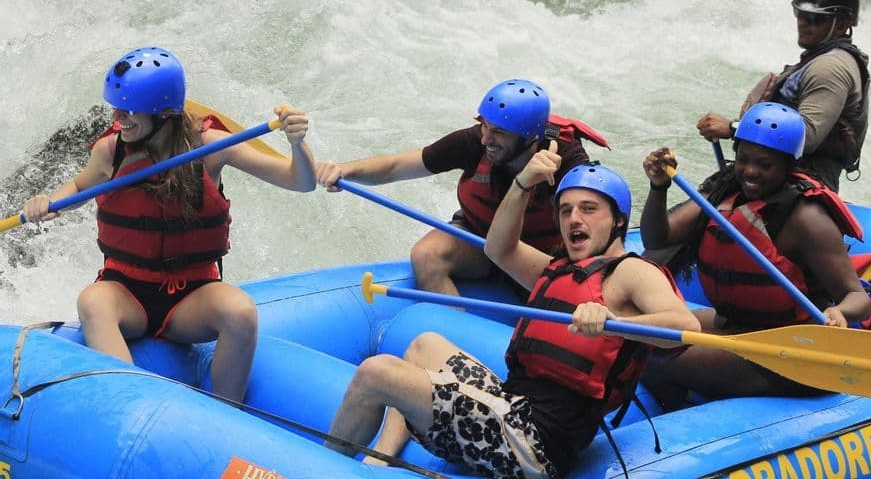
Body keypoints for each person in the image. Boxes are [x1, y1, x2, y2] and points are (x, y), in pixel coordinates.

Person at [324, 148, 700, 478]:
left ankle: (320, 465)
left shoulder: (633, 271)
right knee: (425, 346)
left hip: (537, 446)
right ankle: (380, 460)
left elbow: (685, 324)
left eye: (588, 209)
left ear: (618, 220)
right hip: (513, 408)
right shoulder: (558, 269)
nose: (573, 220)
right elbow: (498, 248)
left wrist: (614, 323)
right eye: (565, 210)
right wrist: (523, 182)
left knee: (377, 373)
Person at [22, 47, 316, 402]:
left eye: (128, 110)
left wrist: (298, 145)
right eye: (116, 106)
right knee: (93, 302)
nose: (117, 117)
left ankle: (228, 411)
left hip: (190, 297)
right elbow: (80, 188)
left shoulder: (209, 147)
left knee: (240, 312)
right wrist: (49, 203)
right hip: (127, 291)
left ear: (163, 114)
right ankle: (130, 403)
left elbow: (300, 181)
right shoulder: (111, 150)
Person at [640, 102, 870, 409]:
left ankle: (683, 418)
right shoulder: (725, 194)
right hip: (737, 324)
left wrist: (840, 313)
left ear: (789, 166)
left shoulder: (807, 219)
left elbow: (858, 298)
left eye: (765, 164)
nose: (750, 171)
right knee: (640, 335)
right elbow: (658, 237)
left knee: (655, 358)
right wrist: (659, 188)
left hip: (790, 351)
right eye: (744, 159)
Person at [316, 78, 602, 296]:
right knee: (426, 255)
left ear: (529, 139)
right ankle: (452, 342)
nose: (485, 139)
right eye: (485, 126)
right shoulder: (474, 141)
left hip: (539, 256)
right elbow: (395, 166)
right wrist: (344, 169)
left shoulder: (567, 162)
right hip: (481, 239)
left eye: (498, 132)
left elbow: (597, 226)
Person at [696, 0, 870, 191]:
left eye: (815, 18)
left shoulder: (830, 68)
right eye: (800, 13)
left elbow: (806, 137)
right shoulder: (822, 58)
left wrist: (733, 128)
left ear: (842, 24)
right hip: (774, 174)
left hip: (799, 183)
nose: (803, 23)